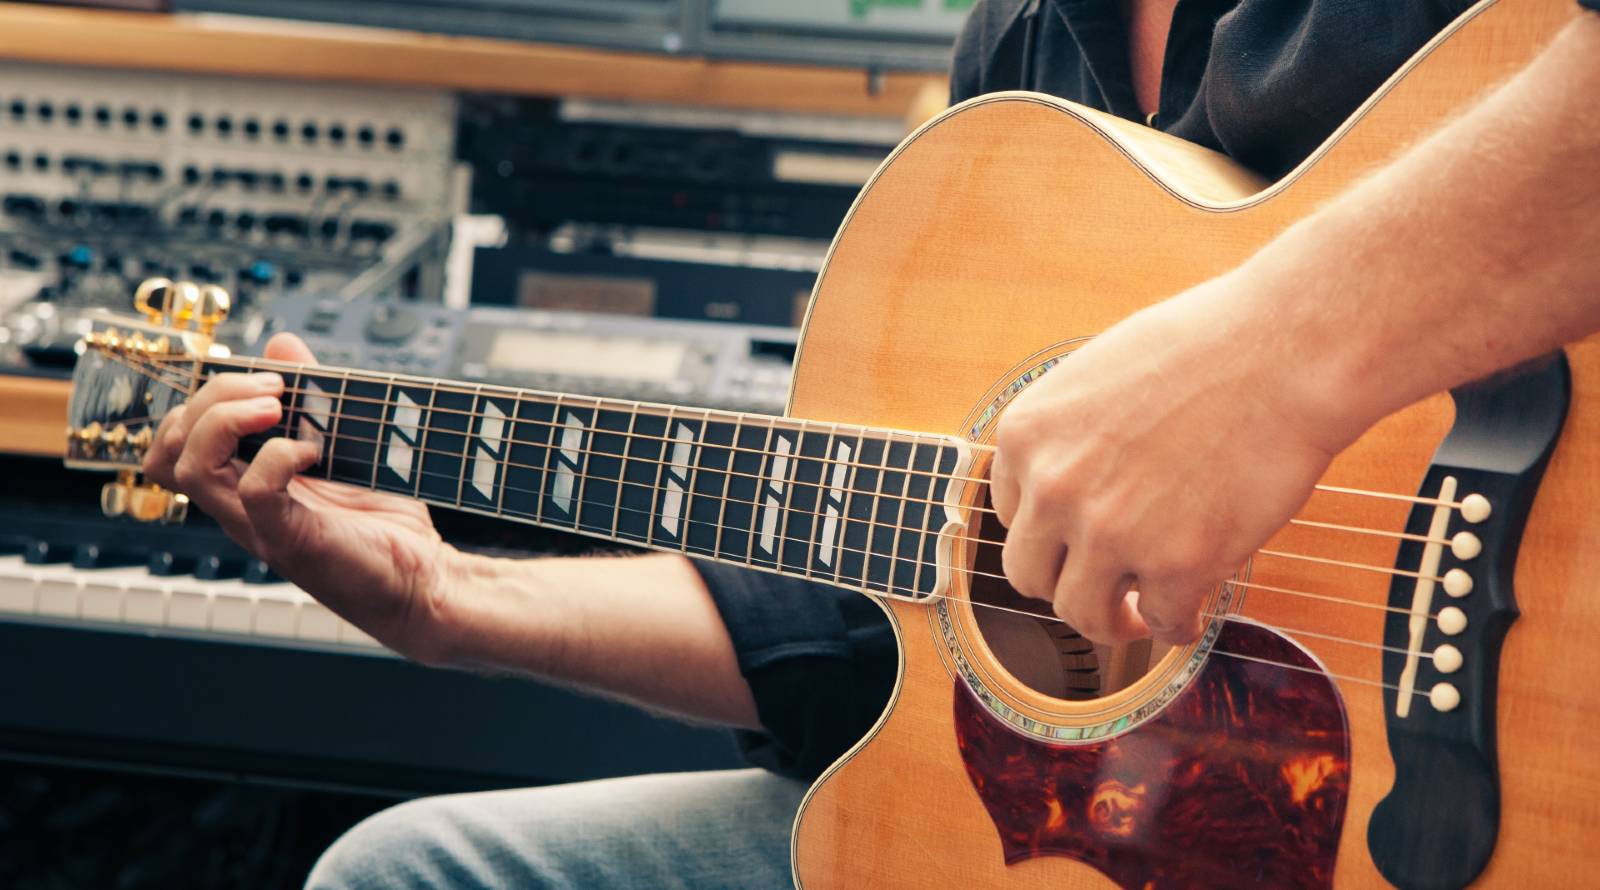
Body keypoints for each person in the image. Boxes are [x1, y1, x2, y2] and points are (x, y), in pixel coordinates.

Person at [140, 1, 1600, 887]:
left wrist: (1269, 361)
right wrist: (453, 602)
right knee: (422, 869)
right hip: (1179, 829)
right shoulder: (1027, 49)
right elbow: (894, 622)